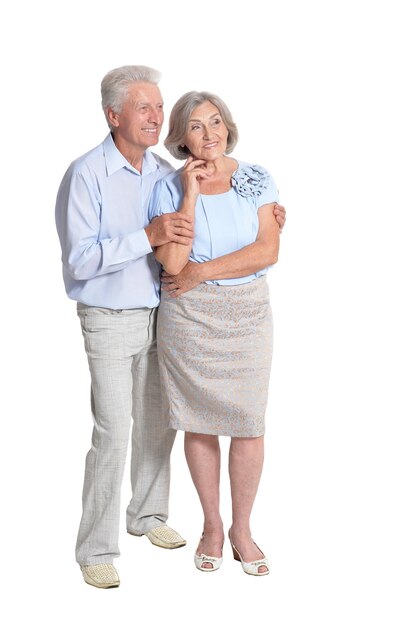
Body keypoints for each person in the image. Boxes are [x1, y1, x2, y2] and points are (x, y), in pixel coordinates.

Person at [55, 65, 286, 588]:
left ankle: (149, 516)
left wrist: (267, 216)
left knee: (163, 422)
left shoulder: (162, 170)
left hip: (166, 313)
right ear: (113, 115)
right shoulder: (88, 173)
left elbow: (249, 235)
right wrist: (150, 233)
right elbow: (84, 260)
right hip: (114, 316)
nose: (155, 117)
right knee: (114, 431)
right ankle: (96, 547)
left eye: (160, 107)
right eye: (144, 108)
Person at [148, 90, 281, 576]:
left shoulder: (256, 178)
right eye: (197, 126)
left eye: (216, 122)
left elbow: (267, 251)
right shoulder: (167, 187)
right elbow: (174, 264)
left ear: (228, 126)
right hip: (190, 318)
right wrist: (191, 194)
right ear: (181, 137)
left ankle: (242, 529)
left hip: (247, 312)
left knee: (248, 421)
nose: (210, 133)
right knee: (200, 420)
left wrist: (205, 272)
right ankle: (211, 525)